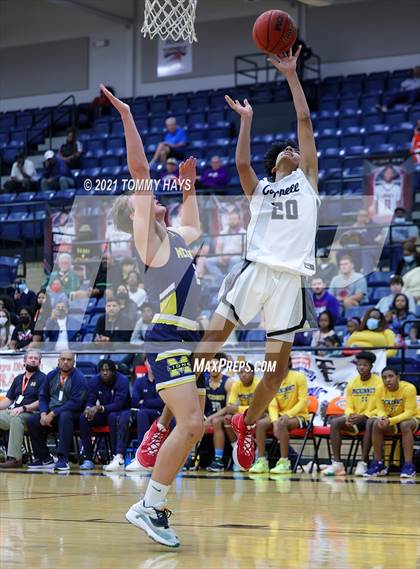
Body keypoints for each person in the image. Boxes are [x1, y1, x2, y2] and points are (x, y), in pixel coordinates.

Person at [139, 46, 320, 474]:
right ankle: (163, 425)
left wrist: (292, 76)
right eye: (287, 150)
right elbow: (241, 161)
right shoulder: (261, 189)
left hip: (292, 282)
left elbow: (305, 121)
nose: (294, 149)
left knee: (275, 375)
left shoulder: (308, 181)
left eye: (296, 149)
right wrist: (247, 122)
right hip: (255, 271)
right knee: (204, 353)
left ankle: (246, 421)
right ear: (275, 164)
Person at [98, 85, 204, 548]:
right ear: (137, 211)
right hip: (167, 338)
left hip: (187, 339)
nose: (154, 195)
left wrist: (190, 189)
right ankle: (150, 504)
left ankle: (155, 470)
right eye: (146, 198)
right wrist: (125, 115)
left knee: (195, 423)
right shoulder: (146, 238)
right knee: (195, 424)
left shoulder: (176, 237)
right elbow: (139, 168)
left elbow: (196, 227)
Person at [322, 351, 381, 477]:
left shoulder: (379, 383)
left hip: (372, 418)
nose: (361, 367)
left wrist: (364, 415)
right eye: (359, 365)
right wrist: (349, 415)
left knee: (370, 422)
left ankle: (363, 462)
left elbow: (381, 407)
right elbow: (348, 405)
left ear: (371, 366)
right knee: (335, 422)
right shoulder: (352, 383)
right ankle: (338, 464)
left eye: (365, 365)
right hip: (356, 419)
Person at [26, 351, 87, 472]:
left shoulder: (79, 378)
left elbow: (76, 403)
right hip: (51, 414)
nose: (65, 362)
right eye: (63, 359)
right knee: (32, 420)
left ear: (74, 362)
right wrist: (43, 413)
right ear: (58, 361)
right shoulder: (51, 375)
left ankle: (63, 459)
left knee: (65, 416)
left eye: (69, 360)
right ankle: (44, 458)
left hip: (72, 415)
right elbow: (43, 396)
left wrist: (53, 413)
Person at [250, 363, 308, 475]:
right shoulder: (273, 381)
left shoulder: (299, 377)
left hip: (299, 416)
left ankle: (284, 463)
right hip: (280, 415)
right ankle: (262, 461)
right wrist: (275, 421)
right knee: (261, 424)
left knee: (282, 424)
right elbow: (272, 404)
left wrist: (288, 415)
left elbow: (303, 401)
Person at [365, 367, 418, 478]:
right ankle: (378, 464)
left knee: (405, 425)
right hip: (391, 418)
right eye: (384, 377)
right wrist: (383, 418)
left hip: (413, 418)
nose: (387, 380)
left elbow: (408, 413)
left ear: (398, 377)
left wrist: (390, 420)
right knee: (377, 424)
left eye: (390, 376)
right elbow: (380, 409)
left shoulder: (409, 388)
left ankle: (408, 465)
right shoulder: (379, 389)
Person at [79, 360, 130, 471]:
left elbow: (118, 404)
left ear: (114, 372)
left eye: (107, 370)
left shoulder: (123, 380)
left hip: (121, 412)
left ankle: (114, 458)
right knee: (84, 418)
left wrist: (98, 408)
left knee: (112, 416)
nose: (105, 373)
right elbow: (90, 400)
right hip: (103, 413)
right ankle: (88, 458)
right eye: (102, 370)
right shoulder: (94, 381)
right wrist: (88, 409)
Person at [0, 351, 46, 468]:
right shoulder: (18, 379)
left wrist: (23, 408)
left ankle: (15, 458)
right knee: (13, 416)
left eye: (36, 358)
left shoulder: (43, 378)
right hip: (14, 411)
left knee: (17, 418)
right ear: (24, 361)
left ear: (39, 362)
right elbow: (8, 400)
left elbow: (42, 401)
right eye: (30, 358)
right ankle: (2, 453)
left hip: (32, 413)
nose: (33, 360)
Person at [125, 359, 165, 471]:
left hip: (161, 414)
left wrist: (145, 402)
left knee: (143, 413)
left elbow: (162, 402)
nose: (151, 364)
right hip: (145, 413)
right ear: (145, 364)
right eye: (149, 361)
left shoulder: (162, 381)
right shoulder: (139, 381)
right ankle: (141, 456)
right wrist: (151, 403)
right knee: (141, 414)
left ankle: (150, 456)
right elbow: (135, 402)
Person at [202, 354, 232, 472]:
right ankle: (190, 457)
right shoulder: (204, 381)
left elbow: (229, 408)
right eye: (210, 365)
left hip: (224, 416)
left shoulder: (228, 382)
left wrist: (210, 418)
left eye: (215, 365)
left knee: (216, 421)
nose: (213, 368)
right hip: (208, 415)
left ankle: (218, 459)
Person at [205, 210, 246, 282]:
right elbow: (218, 247)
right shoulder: (223, 232)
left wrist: (229, 256)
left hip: (237, 256)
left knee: (234, 260)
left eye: (234, 219)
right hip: (223, 256)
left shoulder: (243, 233)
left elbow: (244, 249)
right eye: (230, 219)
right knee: (208, 261)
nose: (232, 221)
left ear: (239, 220)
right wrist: (220, 257)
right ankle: (221, 279)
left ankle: (229, 281)